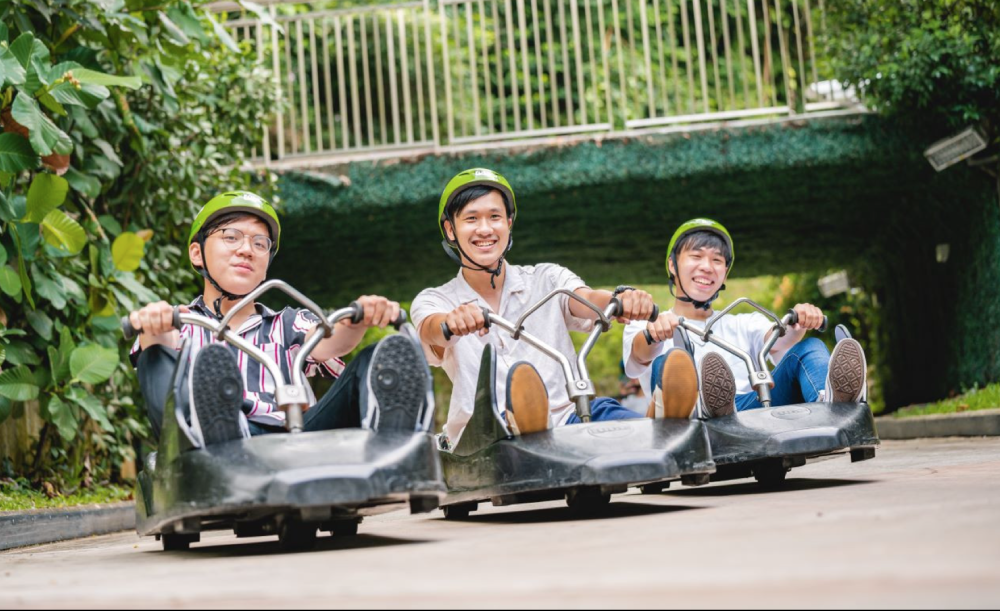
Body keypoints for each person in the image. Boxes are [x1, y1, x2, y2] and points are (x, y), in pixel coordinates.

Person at [410, 169, 698, 450]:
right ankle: (529, 423)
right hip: (489, 436)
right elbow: (432, 330)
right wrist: (453, 321)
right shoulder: (435, 300)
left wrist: (622, 298)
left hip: (569, 419)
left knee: (605, 412)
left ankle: (661, 426)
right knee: (524, 421)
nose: (485, 229)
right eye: (471, 219)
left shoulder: (546, 278)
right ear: (450, 229)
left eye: (495, 217)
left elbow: (585, 299)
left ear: (509, 222)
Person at [127, 191, 431, 446]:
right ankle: (224, 430)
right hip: (214, 442)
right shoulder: (183, 323)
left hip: (297, 440)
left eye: (260, 244)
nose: (246, 250)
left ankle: (392, 446)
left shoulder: (287, 323)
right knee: (158, 353)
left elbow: (330, 343)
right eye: (231, 237)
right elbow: (161, 344)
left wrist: (357, 320)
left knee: (375, 359)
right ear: (197, 253)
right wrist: (154, 324)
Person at [623, 218, 868, 417]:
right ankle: (711, 406)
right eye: (696, 257)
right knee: (669, 361)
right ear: (673, 266)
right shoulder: (647, 321)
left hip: (751, 410)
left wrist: (799, 321)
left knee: (810, 347)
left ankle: (833, 406)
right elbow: (639, 355)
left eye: (717, 260)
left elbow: (778, 339)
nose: (707, 267)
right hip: (688, 415)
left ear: (724, 274)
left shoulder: (742, 322)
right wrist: (654, 334)